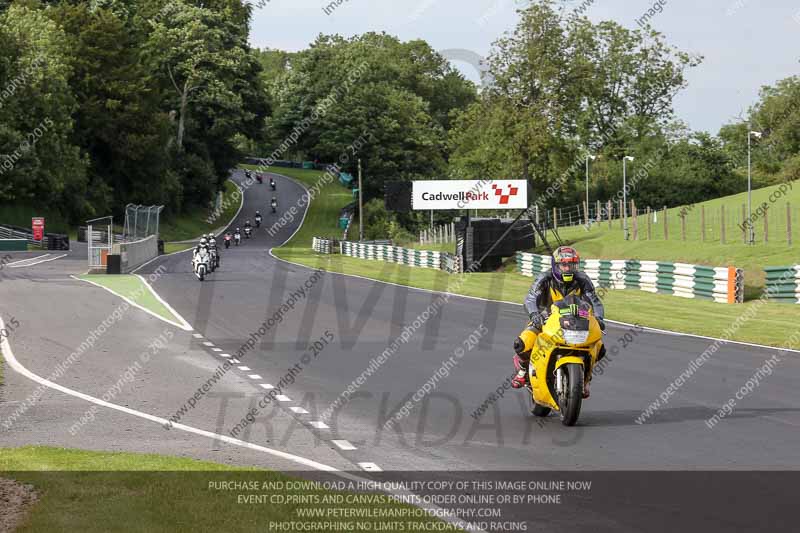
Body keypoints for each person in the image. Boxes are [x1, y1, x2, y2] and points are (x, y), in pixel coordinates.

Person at [511, 246, 606, 398]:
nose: (568, 269)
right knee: (522, 343)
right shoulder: (544, 278)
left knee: (600, 347)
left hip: (576, 319)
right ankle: (522, 370)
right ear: (555, 265)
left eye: (572, 265)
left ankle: (586, 379)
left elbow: (595, 301)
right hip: (545, 318)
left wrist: (599, 318)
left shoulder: (583, 280)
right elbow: (530, 299)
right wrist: (534, 314)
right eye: (564, 265)